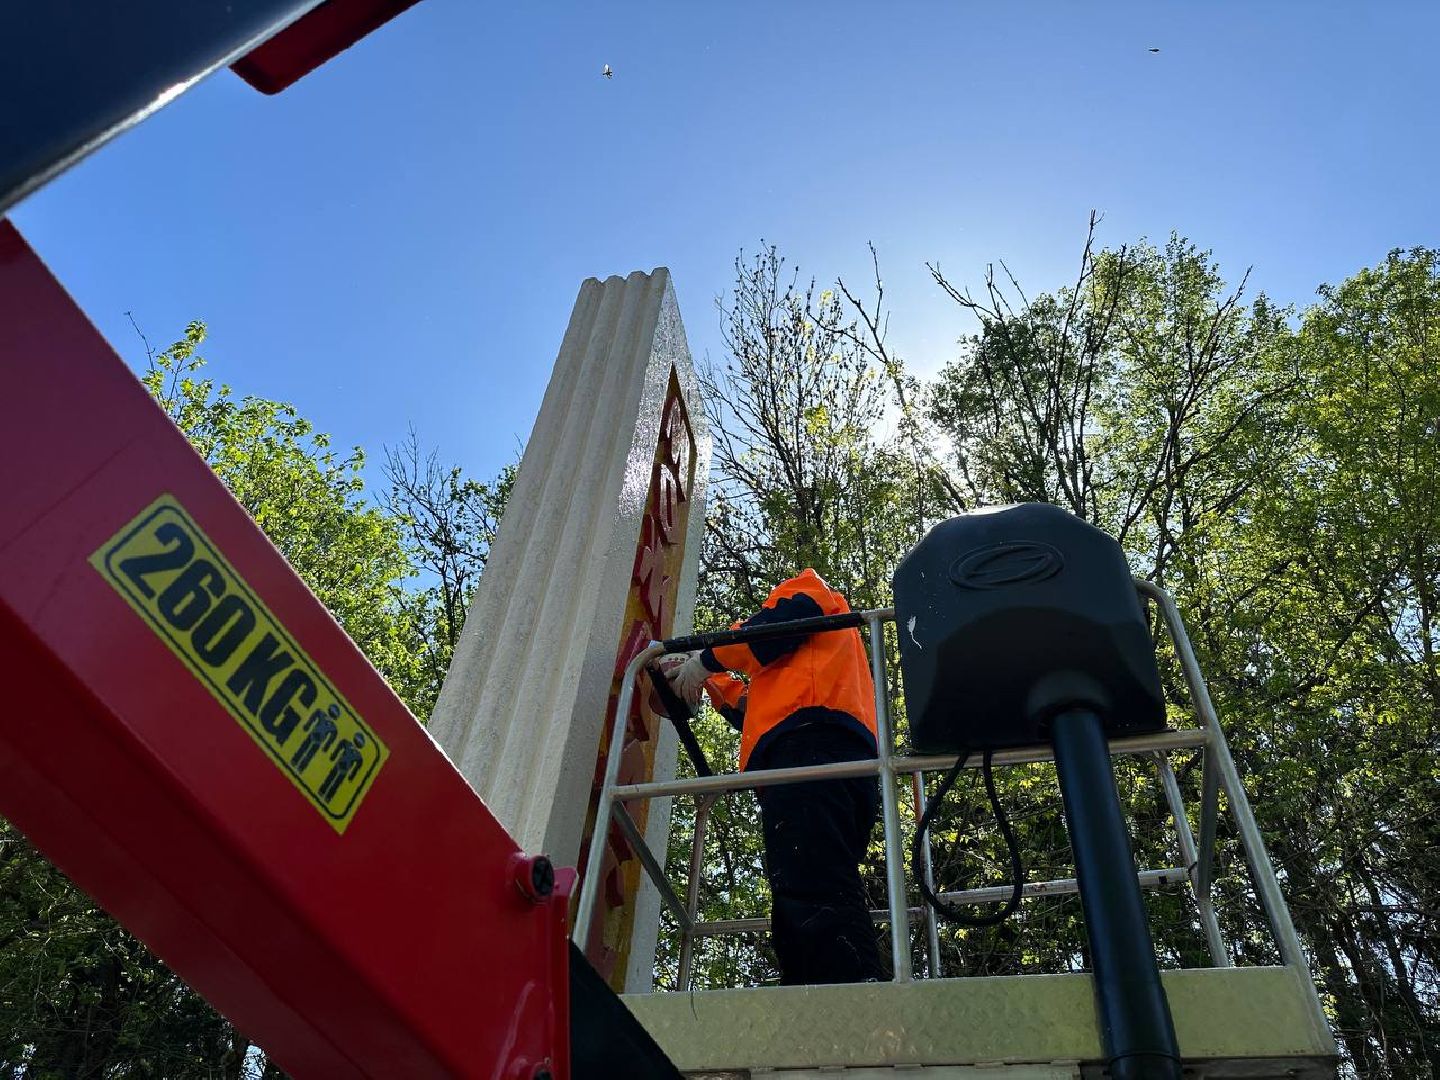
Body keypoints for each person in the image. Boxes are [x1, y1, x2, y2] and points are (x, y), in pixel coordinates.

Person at [665, 568, 885, 985]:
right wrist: (708, 676)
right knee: (799, 888)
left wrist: (707, 658)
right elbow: (753, 711)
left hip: (814, 751)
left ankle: (855, 1007)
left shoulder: (808, 591)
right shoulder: (801, 675)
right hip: (819, 755)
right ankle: (811, 1004)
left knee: (813, 885)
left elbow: (772, 629)